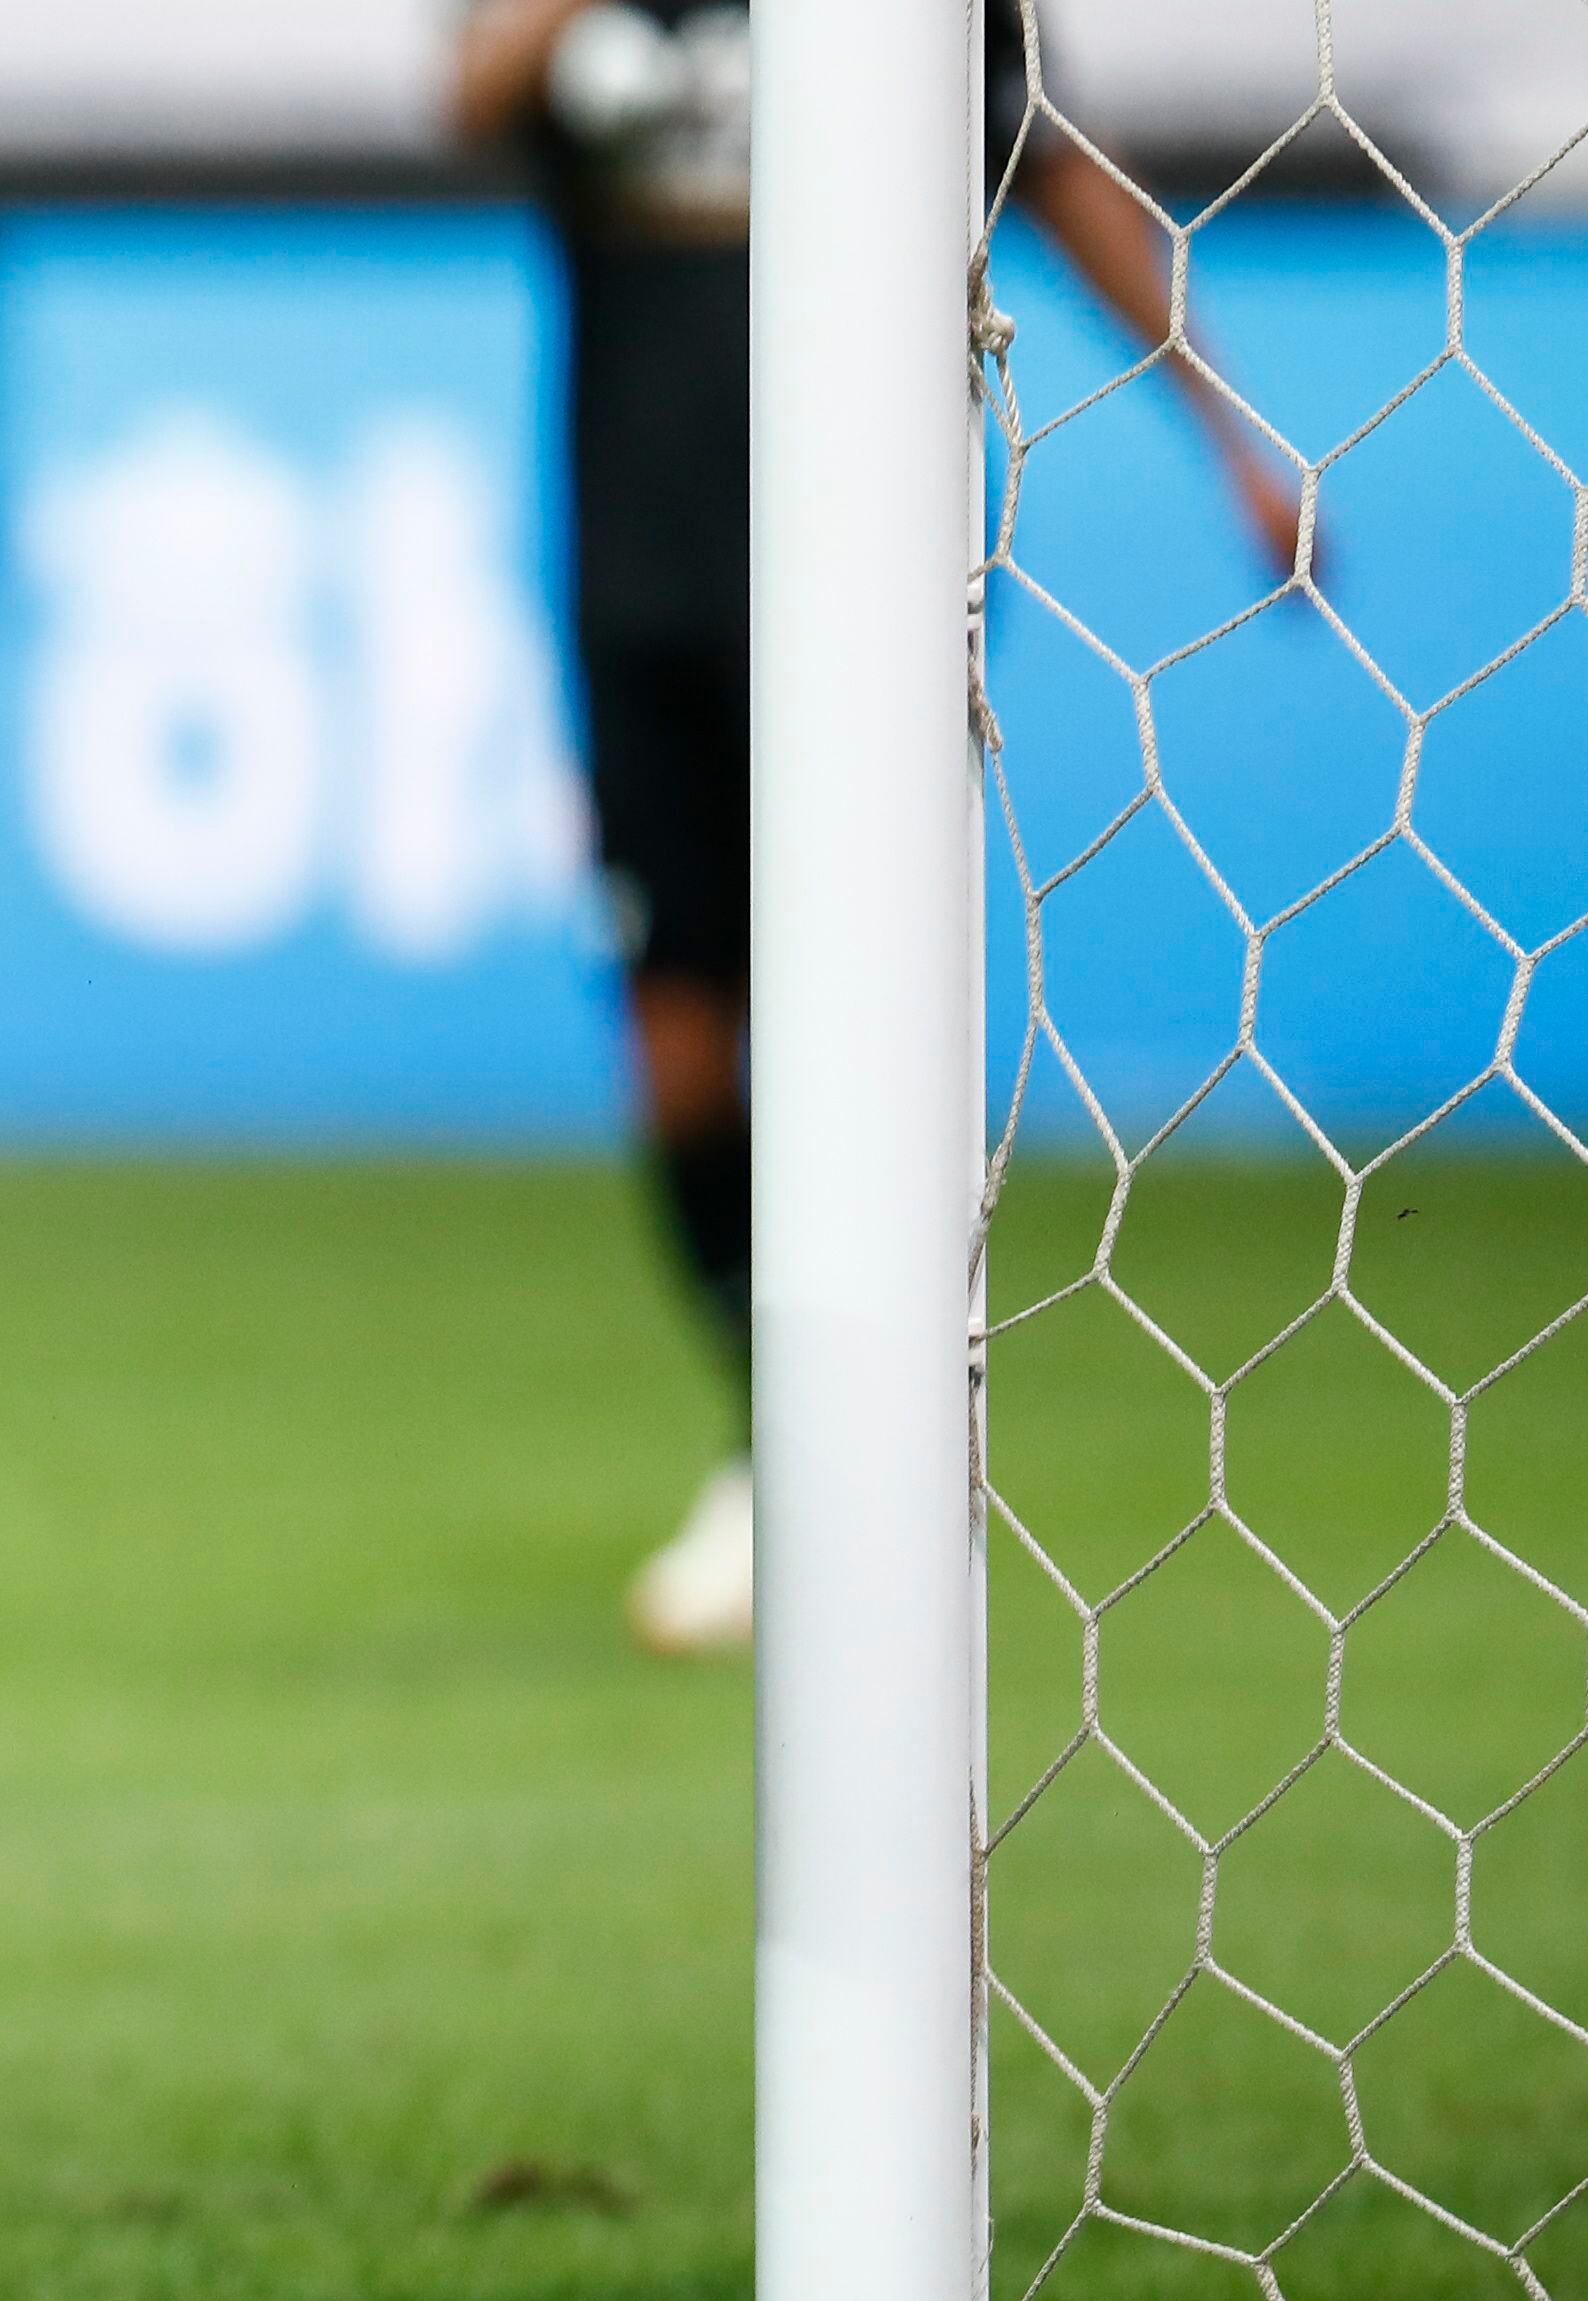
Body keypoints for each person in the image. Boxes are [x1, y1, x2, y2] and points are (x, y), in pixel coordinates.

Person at [452, 0, 1299, 1650]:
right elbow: (471, 94)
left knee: (857, 1034)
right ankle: (777, 1441)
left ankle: (880, 1455)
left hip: (868, 584)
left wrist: (1230, 430)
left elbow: (1052, 175)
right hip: (643, 583)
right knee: (681, 1042)